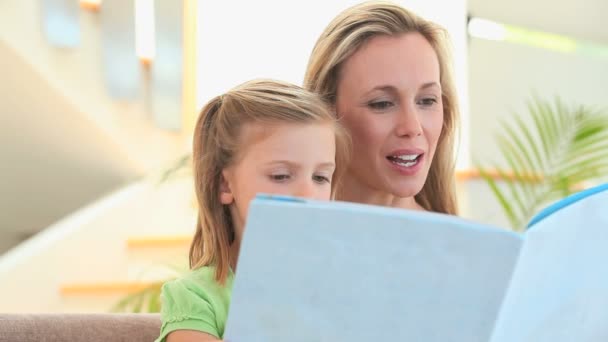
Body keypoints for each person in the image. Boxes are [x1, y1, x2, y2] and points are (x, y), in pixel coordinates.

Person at [155, 79, 350, 342]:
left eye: (320, 177)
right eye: (281, 176)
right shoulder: (195, 296)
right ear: (225, 184)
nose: (308, 196)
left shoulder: (337, 287)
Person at [304, 0, 460, 215]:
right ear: (327, 113)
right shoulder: (280, 239)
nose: (412, 127)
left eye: (427, 100)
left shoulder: (467, 246)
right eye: (382, 104)